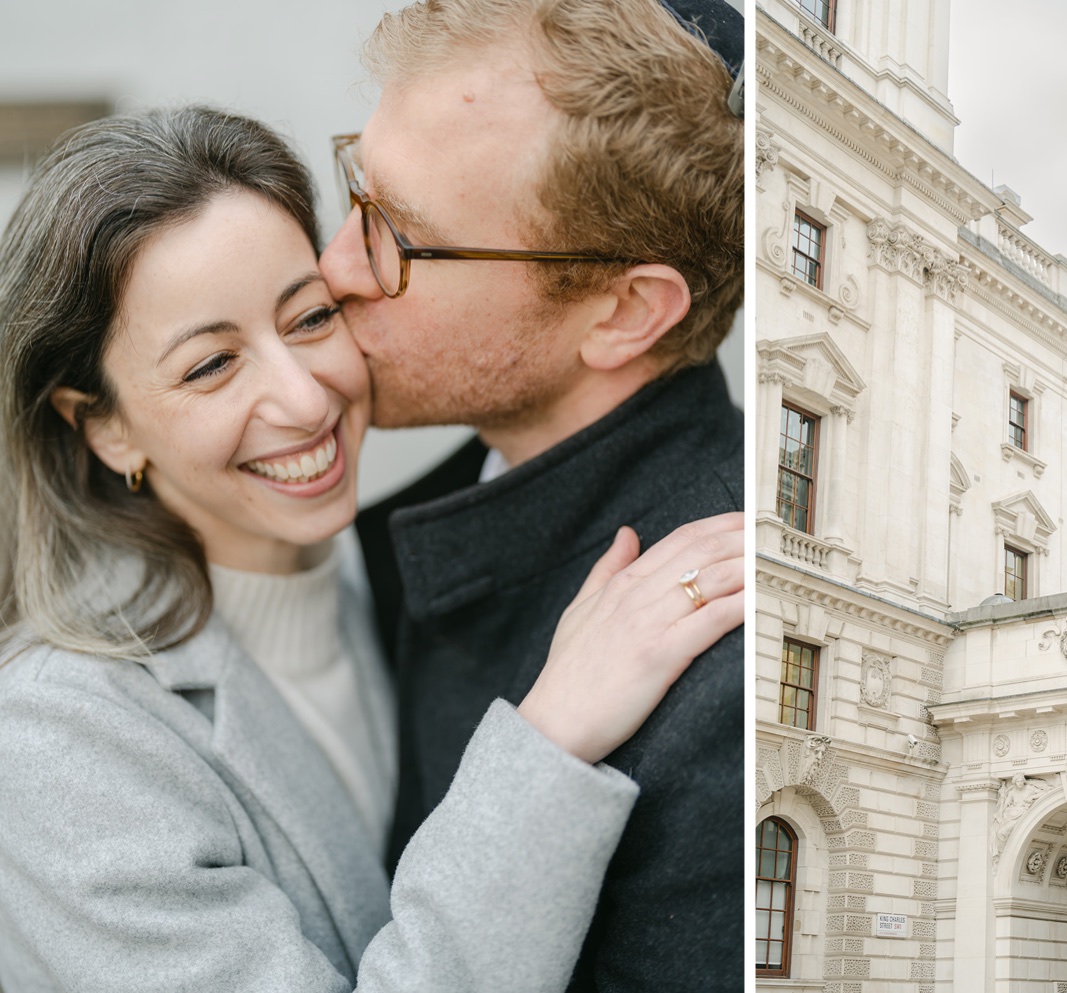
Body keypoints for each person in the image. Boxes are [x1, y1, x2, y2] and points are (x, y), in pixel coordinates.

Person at [0, 105, 744, 992]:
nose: (305, 400)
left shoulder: (379, 569)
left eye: (309, 318)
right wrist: (548, 742)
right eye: (211, 365)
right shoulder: (57, 739)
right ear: (106, 429)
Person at [320, 1, 746, 987]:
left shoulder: (716, 675)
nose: (334, 266)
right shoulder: (378, 533)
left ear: (623, 311)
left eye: (398, 236)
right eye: (356, 189)